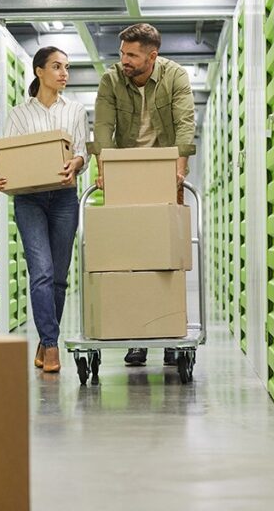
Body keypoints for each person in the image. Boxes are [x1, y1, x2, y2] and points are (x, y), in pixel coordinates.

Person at [89, 23, 197, 367]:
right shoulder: (111, 80)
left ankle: (167, 333)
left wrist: (179, 170)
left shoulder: (175, 76)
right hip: (125, 173)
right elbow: (103, 127)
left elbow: (185, 122)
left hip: (165, 170)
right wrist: (103, 169)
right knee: (129, 260)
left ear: (153, 55)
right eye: (122, 53)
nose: (124, 61)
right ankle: (136, 337)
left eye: (132, 55)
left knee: (167, 261)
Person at [0, 46, 89, 373]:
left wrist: (75, 163)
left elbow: (80, 154)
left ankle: (45, 338)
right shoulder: (19, 114)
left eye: (67, 67)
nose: (64, 73)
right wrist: (0, 175)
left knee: (59, 278)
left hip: (64, 198)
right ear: (39, 71)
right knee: (42, 272)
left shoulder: (75, 110)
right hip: (30, 200)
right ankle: (51, 346)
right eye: (57, 67)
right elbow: (8, 158)